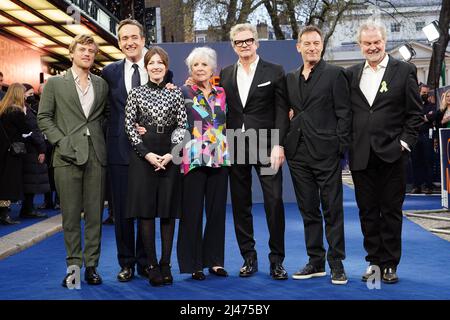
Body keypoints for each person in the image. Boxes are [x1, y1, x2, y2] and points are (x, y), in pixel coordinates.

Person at [347, 20, 422, 284]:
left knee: (390, 211)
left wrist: (403, 144)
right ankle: (374, 263)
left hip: (393, 155)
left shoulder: (404, 70)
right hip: (360, 156)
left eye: (377, 42)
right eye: (367, 43)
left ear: (385, 41)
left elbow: (415, 115)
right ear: (360, 46)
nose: (373, 47)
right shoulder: (351, 74)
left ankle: (390, 263)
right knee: (367, 211)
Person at [38, 34, 109, 287]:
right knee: (69, 217)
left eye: (91, 50)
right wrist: (62, 141)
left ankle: (92, 267)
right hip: (66, 157)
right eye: (82, 49)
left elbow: (106, 117)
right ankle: (74, 269)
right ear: (72, 53)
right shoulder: (56, 83)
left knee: (94, 216)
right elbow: (44, 117)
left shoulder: (101, 84)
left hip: (97, 156)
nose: (87, 53)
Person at [219, 23, 289, 280]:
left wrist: (279, 144)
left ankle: (277, 261)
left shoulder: (275, 70)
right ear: (233, 46)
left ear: (256, 42)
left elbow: (282, 110)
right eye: (239, 42)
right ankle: (248, 257)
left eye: (248, 40)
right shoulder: (225, 73)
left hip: (267, 142)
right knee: (240, 204)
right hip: (236, 141)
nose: (244, 45)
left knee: (273, 202)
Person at [285, 26, 352, 285]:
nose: (312, 47)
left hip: (327, 153)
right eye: (307, 43)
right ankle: (316, 261)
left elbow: (345, 114)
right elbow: (285, 109)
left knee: (332, 210)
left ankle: (336, 263)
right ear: (298, 47)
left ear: (322, 45)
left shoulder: (336, 75)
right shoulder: (290, 78)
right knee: (308, 209)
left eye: (316, 43)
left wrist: (338, 147)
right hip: (298, 153)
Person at [124, 46, 186, 287]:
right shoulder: (136, 94)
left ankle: (166, 263)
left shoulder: (176, 93)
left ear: (166, 67)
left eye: (160, 62)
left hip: (170, 155)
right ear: (146, 67)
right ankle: (151, 265)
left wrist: (171, 156)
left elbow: (183, 127)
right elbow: (129, 126)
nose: (156, 66)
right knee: (147, 212)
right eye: (152, 62)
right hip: (144, 156)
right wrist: (147, 154)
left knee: (168, 212)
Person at [102, 19, 150, 282]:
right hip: (119, 150)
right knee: (121, 210)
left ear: (143, 39)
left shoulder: (159, 67)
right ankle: (126, 263)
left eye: (134, 37)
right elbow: (105, 111)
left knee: (145, 209)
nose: (129, 42)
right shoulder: (109, 72)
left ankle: (145, 261)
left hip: (150, 152)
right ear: (119, 42)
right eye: (124, 38)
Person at [177, 47, 230, 280]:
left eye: (204, 64)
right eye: (195, 65)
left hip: (220, 158)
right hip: (193, 159)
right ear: (190, 69)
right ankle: (194, 264)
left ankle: (215, 261)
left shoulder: (221, 93)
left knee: (217, 212)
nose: (200, 68)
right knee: (193, 213)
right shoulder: (183, 91)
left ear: (213, 69)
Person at [0, 83, 29, 225]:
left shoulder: (2, 109)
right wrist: (25, 113)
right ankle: (4, 214)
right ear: (18, 94)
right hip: (13, 153)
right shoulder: (17, 112)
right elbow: (25, 130)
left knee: (2, 182)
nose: (25, 96)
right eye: (24, 93)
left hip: (2, 151)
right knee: (9, 185)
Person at [19, 83, 49, 219]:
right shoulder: (25, 109)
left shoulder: (27, 108)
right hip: (32, 150)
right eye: (29, 94)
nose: (32, 97)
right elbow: (34, 130)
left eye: (33, 94)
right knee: (31, 181)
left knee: (30, 181)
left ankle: (28, 208)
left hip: (30, 149)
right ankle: (28, 209)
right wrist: (42, 149)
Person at [410, 84, 437, 195]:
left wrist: (424, 117)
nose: (425, 95)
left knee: (428, 161)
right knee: (416, 161)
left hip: (427, 136)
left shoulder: (432, 105)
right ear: (419, 92)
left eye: (427, 93)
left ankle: (429, 186)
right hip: (415, 136)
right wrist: (424, 117)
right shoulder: (413, 105)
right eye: (423, 93)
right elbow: (414, 118)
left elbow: (432, 116)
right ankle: (417, 186)